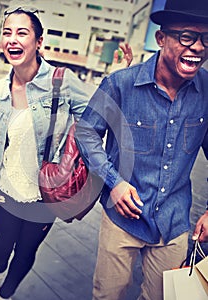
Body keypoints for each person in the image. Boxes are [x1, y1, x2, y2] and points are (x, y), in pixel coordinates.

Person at [0, 7, 95, 300]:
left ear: (39, 41)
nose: (12, 39)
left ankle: (7, 292)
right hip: (8, 188)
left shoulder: (61, 82)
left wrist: (76, 150)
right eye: (7, 32)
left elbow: (97, 118)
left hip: (45, 194)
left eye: (22, 32)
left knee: (27, 251)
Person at [75, 0, 208, 299]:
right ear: (161, 39)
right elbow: (86, 133)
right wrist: (114, 182)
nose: (198, 47)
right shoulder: (120, 84)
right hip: (122, 219)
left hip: (174, 222)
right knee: (108, 294)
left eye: (206, 39)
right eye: (187, 37)